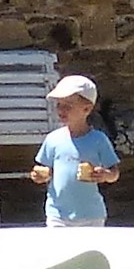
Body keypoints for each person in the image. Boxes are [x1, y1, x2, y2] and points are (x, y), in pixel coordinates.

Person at [34, 72, 121, 226]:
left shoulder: (98, 140)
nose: (61, 110)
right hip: (57, 213)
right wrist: (40, 175)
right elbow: (45, 169)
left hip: (91, 214)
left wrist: (105, 175)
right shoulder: (53, 139)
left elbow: (114, 173)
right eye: (59, 105)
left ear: (87, 109)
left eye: (68, 106)